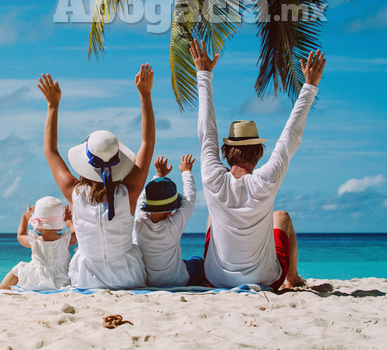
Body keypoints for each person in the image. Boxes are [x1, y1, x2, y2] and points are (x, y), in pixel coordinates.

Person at [190, 39, 326, 291]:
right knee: (281, 217)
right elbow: (290, 138)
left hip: (215, 279)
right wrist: (309, 86)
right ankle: (293, 278)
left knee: (212, 218)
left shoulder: (211, 175)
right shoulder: (265, 180)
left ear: (225, 152)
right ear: (259, 152)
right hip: (265, 280)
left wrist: (204, 75)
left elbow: (206, 130)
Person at [37, 64, 156, 289]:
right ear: (118, 161)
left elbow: (50, 151)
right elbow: (147, 143)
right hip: (127, 277)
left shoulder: (75, 192)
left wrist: (52, 106)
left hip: (86, 278)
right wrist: (145, 95)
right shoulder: (128, 193)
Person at [133, 155, 205, 287]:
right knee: (197, 260)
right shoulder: (173, 225)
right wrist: (186, 172)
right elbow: (189, 199)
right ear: (171, 210)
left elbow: (141, 199)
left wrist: (158, 176)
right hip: (178, 281)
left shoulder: (139, 222)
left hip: (149, 282)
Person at [0, 196, 76, 292]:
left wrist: (24, 219)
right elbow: (76, 234)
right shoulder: (66, 240)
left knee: (19, 268)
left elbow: (20, 236)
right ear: (59, 226)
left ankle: (0, 288)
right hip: (63, 279)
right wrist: (68, 220)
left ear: (37, 225)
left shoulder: (34, 240)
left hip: (37, 280)